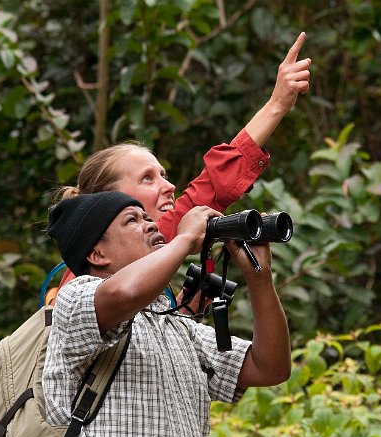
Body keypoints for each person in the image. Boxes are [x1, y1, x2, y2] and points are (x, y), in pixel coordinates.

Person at [46, 32, 312, 301]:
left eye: (163, 175)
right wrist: (276, 105)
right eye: (147, 179)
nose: (171, 187)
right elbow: (211, 187)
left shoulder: (136, 256)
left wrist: (187, 310)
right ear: (106, 201)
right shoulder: (84, 280)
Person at [45, 191, 290, 437]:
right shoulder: (74, 298)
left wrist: (260, 276)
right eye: (132, 221)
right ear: (97, 254)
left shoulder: (178, 328)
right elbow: (125, 292)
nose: (150, 224)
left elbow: (270, 367)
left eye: (148, 218)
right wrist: (184, 239)